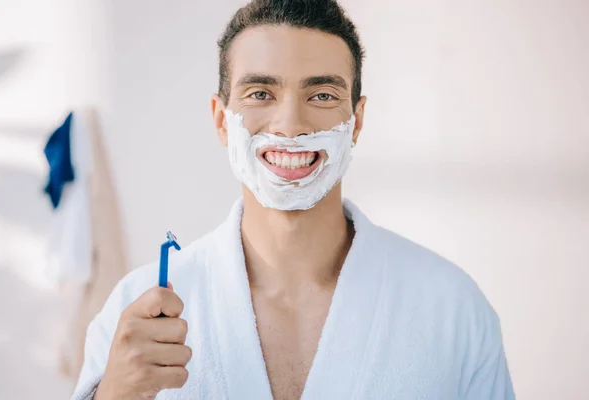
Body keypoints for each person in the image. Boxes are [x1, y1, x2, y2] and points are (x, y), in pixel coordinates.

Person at [72, 0, 515, 399]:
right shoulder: (135, 310)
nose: (290, 125)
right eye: (261, 94)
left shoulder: (453, 308)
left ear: (356, 120)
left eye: (321, 95)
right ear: (222, 120)